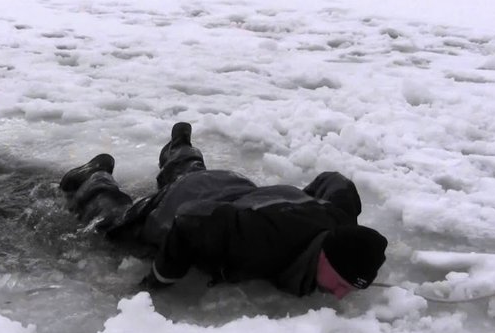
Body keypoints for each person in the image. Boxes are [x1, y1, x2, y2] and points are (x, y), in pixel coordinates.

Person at [59, 122, 388, 299]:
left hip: (232, 188)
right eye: (344, 283)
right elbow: (188, 225)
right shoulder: (261, 241)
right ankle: (94, 176)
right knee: (116, 228)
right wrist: (156, 284)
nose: (342, 296)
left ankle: (180, 146)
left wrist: (306, 207)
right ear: (327, 257)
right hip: (185, 208)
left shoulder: (339, 220)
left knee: (193, 177)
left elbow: (336, 181)